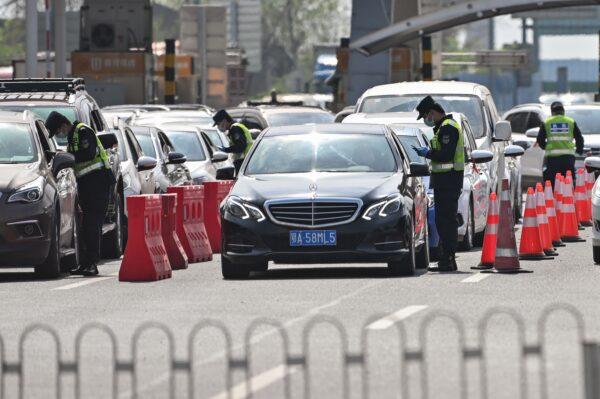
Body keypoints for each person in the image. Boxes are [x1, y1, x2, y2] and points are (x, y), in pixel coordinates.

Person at [45, 112, 115, 276]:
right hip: (87, 184)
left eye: (58, 131)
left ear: (63, 125)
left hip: (99, 182)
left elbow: (88, 154)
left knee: (92, 225)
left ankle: (92, 264)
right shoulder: (72, 137)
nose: (59, 135)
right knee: (85, 226)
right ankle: (85, 264)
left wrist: (66, 156)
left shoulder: (83, 131)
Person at [412, 96, 464, 272]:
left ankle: (448, 259)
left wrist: (427, 153)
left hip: (449, 181)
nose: (428, 120)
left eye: (427, 116)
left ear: (433, 112)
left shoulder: (448, 128)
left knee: (446, 221)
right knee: (443, 221)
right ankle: (446, 259)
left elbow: (446, 155)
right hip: (445, 181)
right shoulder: (442, 127)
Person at [537, 101, 584, 187]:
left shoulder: (546, 122)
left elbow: (539, 139)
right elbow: (579, 138)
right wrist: (579, 151)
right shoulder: (570, 121)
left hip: (552, 159)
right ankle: (568, 198)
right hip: (568, 158)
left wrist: (546, 147)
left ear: (552, 112)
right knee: (568, 181)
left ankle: (555, 199)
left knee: (553, 182)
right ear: (563, 111)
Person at [212, 110, 253, 174]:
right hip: (245, 162)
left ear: (224, 121)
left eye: (218, 123)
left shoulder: (235, 129)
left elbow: (240, 147)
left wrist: (226, 149)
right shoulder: (233, 128)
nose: (218, 126)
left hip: (244, 162)